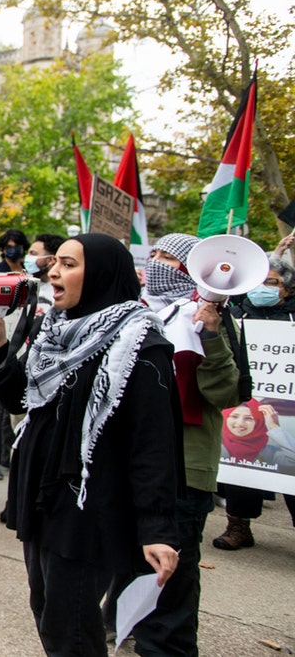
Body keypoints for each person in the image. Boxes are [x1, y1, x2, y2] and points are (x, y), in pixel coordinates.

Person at [0, 233, 180, 655]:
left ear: (102, 274)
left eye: (68, 264)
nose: (53, 272)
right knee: (46, 608)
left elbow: (153, 444)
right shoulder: (55, 331)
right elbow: (21, 401)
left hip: (89, 505)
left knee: (70, 626)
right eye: (55, 262)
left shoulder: (140, 345)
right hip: (44, 496)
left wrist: (157, 528)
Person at [110, 232, 239, 655]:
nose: (157, 263)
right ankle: (123, 620)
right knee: (132, 554)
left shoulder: (214, 318)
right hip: (134, 460)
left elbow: (228, 394)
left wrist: (212, 334)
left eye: (168, 257)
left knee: (172, 570)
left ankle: (166, 646)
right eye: (155, 254)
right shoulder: (139, 312)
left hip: (184, 464)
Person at [215, 254, 295, 550]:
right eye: (259, 281)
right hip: (243, 405)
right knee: (241, 463)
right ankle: (238, 525)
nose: (263, 287)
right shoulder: (235, 315)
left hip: (286, 404)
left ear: (287, 289)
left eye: (271, 282)